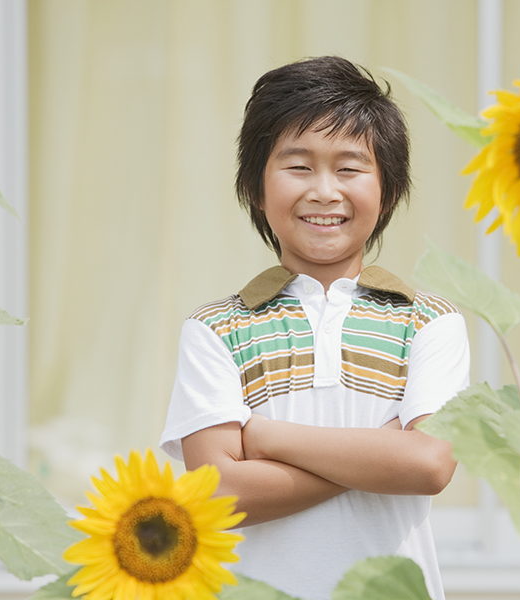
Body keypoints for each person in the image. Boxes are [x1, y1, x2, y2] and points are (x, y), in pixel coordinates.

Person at [159, 55, 470, 600]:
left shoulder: (429, 321)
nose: (324, 191)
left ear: (388, 191)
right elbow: (216, 496)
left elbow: (430, 463)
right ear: (256, 188)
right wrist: (382, 457)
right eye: (298, 166)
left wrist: (264, 436)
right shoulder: (214, 328)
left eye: (349, 169)